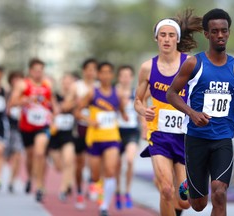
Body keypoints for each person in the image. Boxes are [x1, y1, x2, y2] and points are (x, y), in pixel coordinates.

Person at [166, 8, 234, 216]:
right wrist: (192, 113)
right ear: (206, 34)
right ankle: (190, 184)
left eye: (224, 31)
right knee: (198, 205)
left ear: (229, 32)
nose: (220, 35)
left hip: (223, 138)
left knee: (220, 193)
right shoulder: (194, 64)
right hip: (197, 138)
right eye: (214, 31)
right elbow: (171, 94)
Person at [134, 9, 202, 216]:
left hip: (185, 137)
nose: (166, 39)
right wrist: (144, 111)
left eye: (171, 35)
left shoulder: (190, 64)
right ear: (156, 38)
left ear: (177, 39)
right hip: (159, 135)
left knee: (184, 201)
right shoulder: (147, 67)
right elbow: (137, 100)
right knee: (166, 189)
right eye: (162, 35)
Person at [75, 61, 128, 216]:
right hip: (95, 138)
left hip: (112, 137)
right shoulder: (92, 93)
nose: (106, 75)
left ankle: (104, 205)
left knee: (110, 171)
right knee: (96, 174)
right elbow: (77, 112)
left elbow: (122, 111)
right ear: (98, 75)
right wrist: (89, 120)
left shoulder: (117, 94)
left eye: (109, 72)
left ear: (112, 75)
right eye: (102, 72)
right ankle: (95, 186)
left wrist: (124, 115)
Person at [9, 58, 57, 202]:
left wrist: (55, 114)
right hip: (26, 127)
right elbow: (12, 103)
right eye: (36, 70)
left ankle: (40, 186)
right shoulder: (23, 84)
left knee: (40, 152)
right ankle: (30, 177)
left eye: (41, 70)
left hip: (43, 125)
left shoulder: (47, 84)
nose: (38, 73)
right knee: (30, 157)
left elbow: (52, 102)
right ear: (30, 71)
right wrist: (26, 100)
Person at [63, 58, 99, 209]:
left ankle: (92, 183)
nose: (91, 73)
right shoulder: (76, 87)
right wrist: (77, 102)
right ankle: (79, 192)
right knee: (80, 164)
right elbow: (65, 107)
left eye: (94, 70)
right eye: (88, 69)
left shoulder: (99, 87)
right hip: (80, 129)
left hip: (96, 129)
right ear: (84, 71)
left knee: (95, 162)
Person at [115, 65, 140, 209]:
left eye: (128, 75)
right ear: (119, 77)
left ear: (131, 78)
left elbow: (141, 109)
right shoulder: (114, 92)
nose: (125, 78)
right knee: (117, 164)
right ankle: (118, 190)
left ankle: (128, 191)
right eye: (122, 75)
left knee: (130, 160)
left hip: (131, 131)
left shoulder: (136, 92)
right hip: (117, 131)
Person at [48, 73, 76, 202]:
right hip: (55, 135)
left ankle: (63, 189)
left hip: (69, 135)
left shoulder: (76, 99)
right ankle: (68, 181)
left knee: (69, 160)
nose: (67, 85)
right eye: (65, 82)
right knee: (59, 166)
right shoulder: (54, 97)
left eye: (70, 82)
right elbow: (55, 110)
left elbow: (70, 107)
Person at [6, 71, 24, 193]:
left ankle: (12, 181)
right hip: (7, 129)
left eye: (19, 78)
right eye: (14, 78)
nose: (16, 81)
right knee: (6, 156)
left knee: (18, 155)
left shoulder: (26, 94)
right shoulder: (6, 93)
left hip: (20, 129)